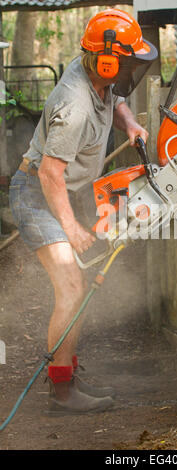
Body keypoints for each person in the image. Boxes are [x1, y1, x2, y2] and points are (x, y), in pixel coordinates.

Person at [9, 8, 157, 415]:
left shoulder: (98, 71)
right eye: (127, 62)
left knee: (76, 288)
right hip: (37, 194)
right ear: (107, 61)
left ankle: (66, 372)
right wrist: (71, 227)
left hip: (59, 191)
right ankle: (62, 393)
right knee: (72, 288)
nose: (130, 70)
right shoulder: (73, 105)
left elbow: (118, 97)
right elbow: (49, 174)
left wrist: (127, 123)